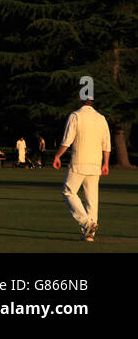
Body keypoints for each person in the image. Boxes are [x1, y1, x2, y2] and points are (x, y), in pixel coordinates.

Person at [53, 99, 112, 242]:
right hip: (95, 164)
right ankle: (89, 235)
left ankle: (87, 224)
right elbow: (107, 144)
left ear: (80, 100)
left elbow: (67, 140)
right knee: (92, 199)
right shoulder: (101, 118)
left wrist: (57, 156)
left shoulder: (76, 116)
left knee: (68, 192)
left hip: (79, 162)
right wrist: (106, 163)